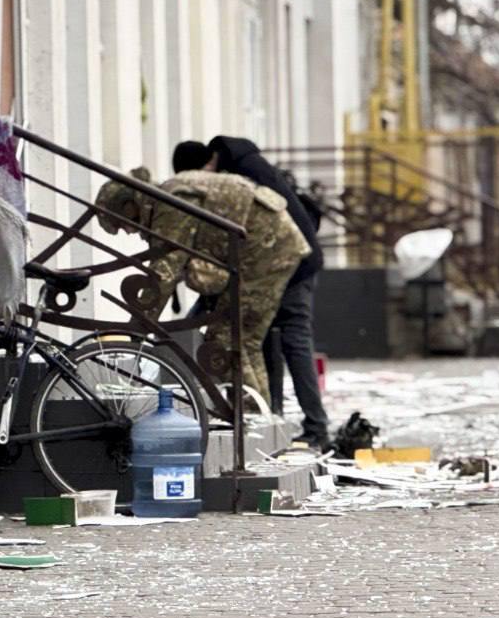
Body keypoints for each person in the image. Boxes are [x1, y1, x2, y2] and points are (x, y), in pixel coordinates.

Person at [94, 167, 310, 397]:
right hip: (270, 247)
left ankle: (249, 417)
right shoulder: (170, 195)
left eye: (123, 224)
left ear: (130, 206)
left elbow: (164, 270)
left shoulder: (171, 203)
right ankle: (261, 418)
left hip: (265, 251)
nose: (129, 232)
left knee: (224, 341)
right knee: (244, 340)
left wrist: (136, 328)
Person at [174, 137, 330, 448]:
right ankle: (278, 418)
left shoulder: (239, 174)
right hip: (291, 260)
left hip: (289, 265)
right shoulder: (244, 164)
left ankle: (312, 427)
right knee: (263, 336)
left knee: (288, 340)